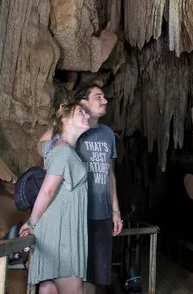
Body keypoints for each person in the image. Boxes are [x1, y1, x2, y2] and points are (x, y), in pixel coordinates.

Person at [38, 85, 122, 293]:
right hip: (76, 214)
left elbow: (109, 173)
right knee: (71, 272)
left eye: (104, 96)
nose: (105, 101)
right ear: (82, 102)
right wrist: (52, 153)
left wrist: (115, 210)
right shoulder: (73, 130)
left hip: (101, 214)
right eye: (98, 97)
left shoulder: (108, 133)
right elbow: (42, 145)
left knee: (94, 273)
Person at [20, 103, 91, 293]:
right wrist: (31, 223)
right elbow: (47, 191)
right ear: (65, 120)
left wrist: (56, 130)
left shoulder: (54, 146)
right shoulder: (63, 152)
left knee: (49, 289)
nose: (86, 115)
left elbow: (40, 145)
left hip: (60, 231)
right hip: (61, 237)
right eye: (80, 112)